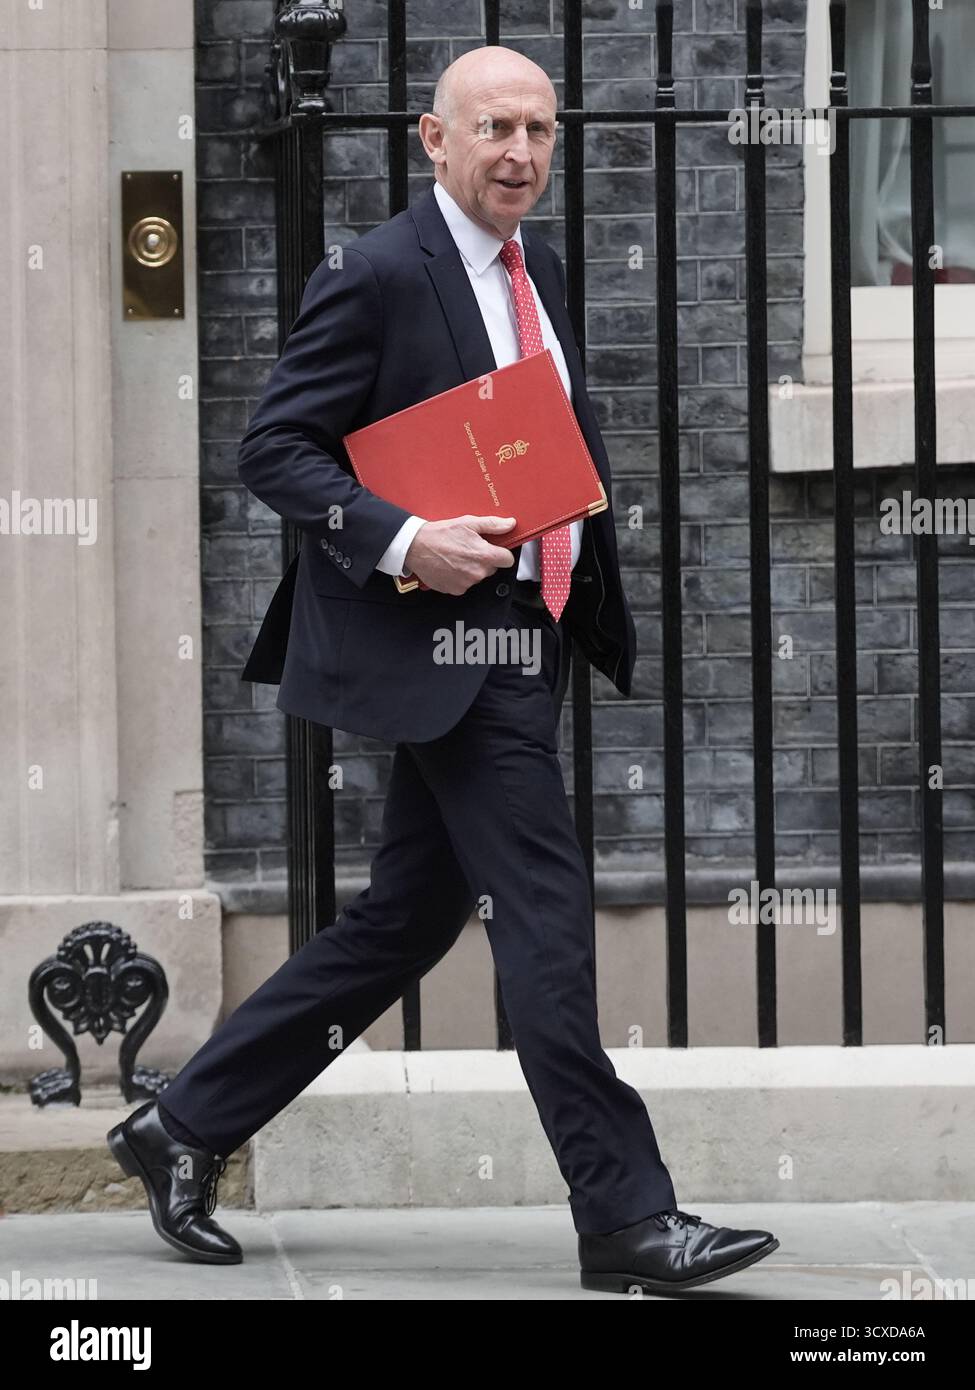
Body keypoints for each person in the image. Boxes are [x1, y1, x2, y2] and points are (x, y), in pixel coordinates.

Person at [107, 45, 778, 1296]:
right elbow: (276, 449)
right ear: (433, 137)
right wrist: (409, 537)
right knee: (545, 920)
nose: (520, 153)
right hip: (450, 649)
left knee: (400, 922)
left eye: (538, 129)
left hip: (527, 638)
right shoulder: (375, 273)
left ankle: (181, 1122)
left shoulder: (545, 267)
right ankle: (626, 1215)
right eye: (494, 130)